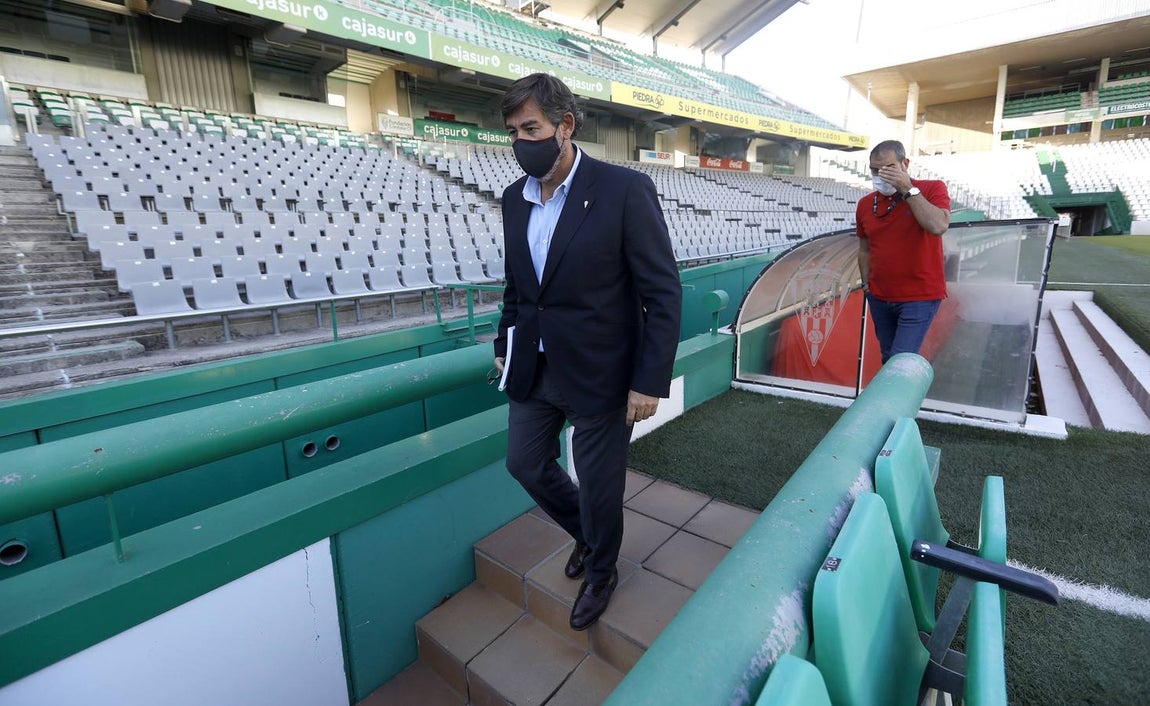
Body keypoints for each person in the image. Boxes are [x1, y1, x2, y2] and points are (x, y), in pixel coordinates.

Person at [492, 73, 682, 631]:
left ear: (565, 126)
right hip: (534, 366)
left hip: (603, 372)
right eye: (512, 131)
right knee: (524, 463)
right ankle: (587, 535)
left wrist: (650, 381)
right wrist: (504, 343)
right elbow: (518, 285)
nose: (521, 141)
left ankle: (601, 570)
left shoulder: (624, 189)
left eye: (531, 127)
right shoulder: (513, 199)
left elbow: (662, 292)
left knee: (601, 486)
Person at [856, 139, 951, 363]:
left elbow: (938, 226)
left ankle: (902, 396)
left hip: (918, 297)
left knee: (899, 361)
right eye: (875, 170)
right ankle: (897, 398)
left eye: (889, 168)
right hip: (879, 296)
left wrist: (907, 189)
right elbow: (864, 249)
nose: (882, 175)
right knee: (888, 357)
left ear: (904, 164)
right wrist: (867, 286)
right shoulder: (865, 204)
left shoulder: (932, 188)